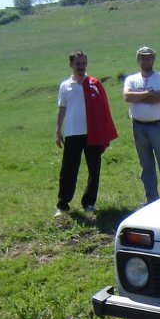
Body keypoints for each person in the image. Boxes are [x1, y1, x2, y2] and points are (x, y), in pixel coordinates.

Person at [54, 51, 118, 218]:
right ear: (71, 65)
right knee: (68, 170)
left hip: (93, 133)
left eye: (84, 64)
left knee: (94, 170)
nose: (81, 67)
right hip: (73, 133)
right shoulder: (65, 86)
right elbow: (62, 109)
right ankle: (63, 204)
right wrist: (58, 131)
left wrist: (104, 133)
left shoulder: (94, 83)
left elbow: (104, 109)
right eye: (78, 64)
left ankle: (89, 202)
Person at [123, 46, 160, 203]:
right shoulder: (131, 79)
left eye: (149, 57)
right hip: (139, 127)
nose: (146, 60)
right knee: (146, 166)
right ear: (138, 60)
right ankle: (151, 199)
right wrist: (149, 93)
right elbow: (127, 97)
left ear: (153, 59)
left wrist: (139, 97)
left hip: (157, 126)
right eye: (143, 57)